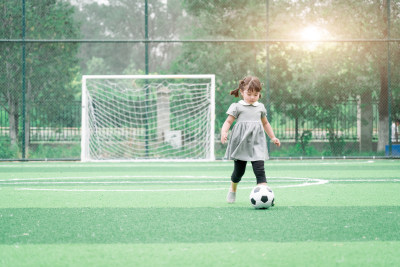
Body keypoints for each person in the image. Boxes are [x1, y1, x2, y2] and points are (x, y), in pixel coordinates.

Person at [221, 76, 281, 203]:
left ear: (259, 94)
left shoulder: (260, 107)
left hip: (257, 143)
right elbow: (228, 121)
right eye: (249, 94)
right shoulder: (237, 107)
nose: (252, 97)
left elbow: (265, 124)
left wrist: (273, 137)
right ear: (242, 92)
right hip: (241, 143)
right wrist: (224, 132)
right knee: (239, 172)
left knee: (260, 169)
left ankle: (266, 195)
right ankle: (233, 189)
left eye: (256, 94)